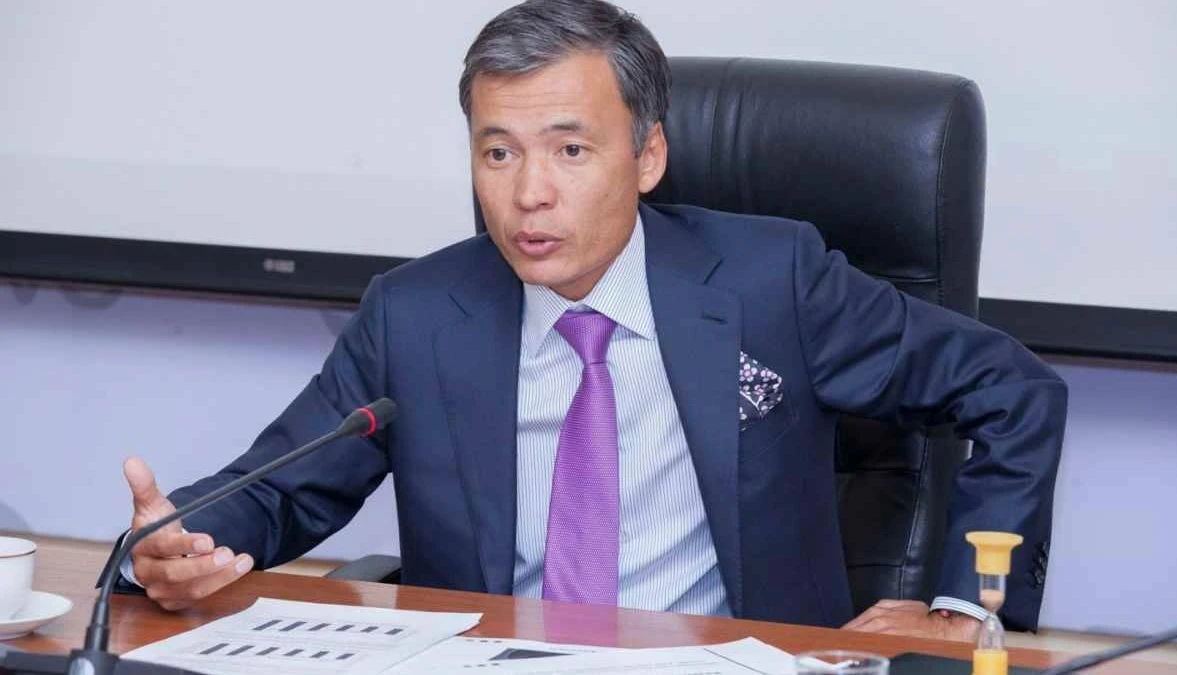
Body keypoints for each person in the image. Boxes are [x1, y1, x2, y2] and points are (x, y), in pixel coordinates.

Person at [116, 0, 1066, 641]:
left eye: (570, 150)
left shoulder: (771, 281)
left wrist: (962, 607)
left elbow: (1013, 389)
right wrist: (177, 543)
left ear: (648, 157)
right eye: (498, 152)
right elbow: (277, 488)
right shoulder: (416, 314)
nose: (529, 192)